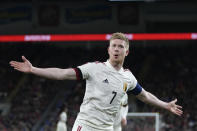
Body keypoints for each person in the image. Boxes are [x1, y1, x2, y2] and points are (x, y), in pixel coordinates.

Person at [9, 32, 183, 131]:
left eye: (120, 46)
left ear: (127, 52)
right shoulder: (94, 68)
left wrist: (165, 105)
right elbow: (62, 74)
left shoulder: (128, 77)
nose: (116, 49)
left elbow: (145, 96)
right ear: (108, 49)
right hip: (86, 126)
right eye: (113, 46)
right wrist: (33, 69)